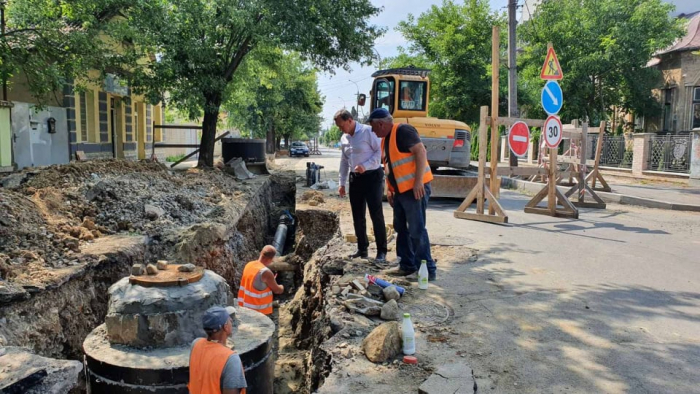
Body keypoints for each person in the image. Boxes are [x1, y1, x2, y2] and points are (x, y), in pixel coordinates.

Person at [367, 108, 437, 281]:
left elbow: (421, 151)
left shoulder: (403, 130)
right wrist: (390, 189)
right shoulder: (385, 140)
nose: (373, 131)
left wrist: (418, 182)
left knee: (417, 230)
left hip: (414, 190)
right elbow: (391, 167)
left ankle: (426, 270)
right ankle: (407, 265)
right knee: (401, 229)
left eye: (374, 127)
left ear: (381, 124)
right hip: (400, 192)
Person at [335, 109, 387, 262]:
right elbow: (344, 161)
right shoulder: (344, 138)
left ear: (350, 120)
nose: (341, 129)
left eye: (342, 125)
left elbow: (380, 153)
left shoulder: (368, 131)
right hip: (355, 178)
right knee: (358, 215)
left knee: (375, 214)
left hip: (372, 177)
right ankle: (362, 249)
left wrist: (365, 165)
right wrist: (341, 183)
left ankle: (381, 251)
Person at [188, 306, 247, 394]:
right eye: (228, 318)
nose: (231, 320)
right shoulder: (231, 359)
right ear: (225, 327)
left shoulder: (196, 344)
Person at [237, 245, 284, 315]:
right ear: (269, 260)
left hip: (244, 308)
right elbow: (277, 290)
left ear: (260, 253)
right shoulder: (266, 272)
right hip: (258, 313)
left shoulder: (249, 265)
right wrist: (282, 286)